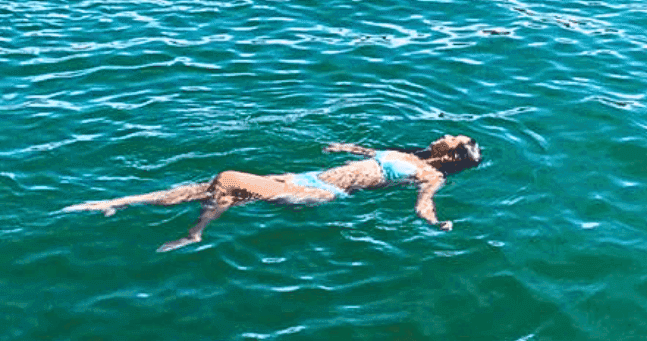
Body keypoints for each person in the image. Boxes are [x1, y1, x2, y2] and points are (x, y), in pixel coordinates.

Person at [62, 135, 482, 252]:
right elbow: (373, 153)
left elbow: (423, 206)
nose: (446, 134)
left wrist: (436, 224)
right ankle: (117, 203)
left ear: (451, 158)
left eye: (454, 139)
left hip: (318, 194)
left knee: (227, 178)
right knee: (204, 188)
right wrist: (345, 150)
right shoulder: (418, 150)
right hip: (310, 176)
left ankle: (196, 233)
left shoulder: (433, 175)